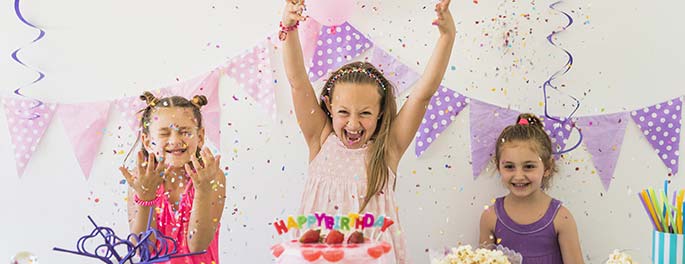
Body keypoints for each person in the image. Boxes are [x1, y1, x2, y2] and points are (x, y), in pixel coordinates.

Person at [280, 0, 456, 262]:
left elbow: (423, 95)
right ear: (329, 106)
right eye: (343, 113)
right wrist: (288, 27)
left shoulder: (388, 149)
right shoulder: (321, 138)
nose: (353, 124)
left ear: (381, 111)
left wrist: (447, 37)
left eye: (364, 114)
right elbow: (297, 82)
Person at [119, 91, 226, 263]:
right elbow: (141, 248)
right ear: (147, 142)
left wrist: (203, 190)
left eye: (184, 132)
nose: (175, 140)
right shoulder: (141, 178)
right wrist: (146, 196)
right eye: (164, 133)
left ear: (200, 137)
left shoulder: (212, 176)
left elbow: (198, 246)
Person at [479, 113, 584, 264]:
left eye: (528, 166)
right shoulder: (490, 217)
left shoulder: (562, 218)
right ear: (498, 167)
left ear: (547, 167)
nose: (519, 176)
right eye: (509, 167)